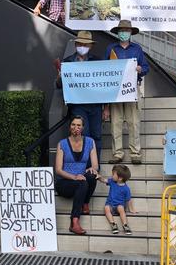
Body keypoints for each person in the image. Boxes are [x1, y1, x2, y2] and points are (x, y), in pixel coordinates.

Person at [55, 30, 108, 162]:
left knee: (96, 136)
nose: (83, 46)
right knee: (82, 135)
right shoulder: (67, 62)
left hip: (95, 105)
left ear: (91, 46)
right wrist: (60, 77)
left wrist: (106, 108)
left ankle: (95, 168)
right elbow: (59, 85)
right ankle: (83, 166)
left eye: (86, 44)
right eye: (80, 43)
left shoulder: (98, 61)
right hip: (77, 106)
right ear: (76, 44)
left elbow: (106, 85)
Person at [104, 20, 149, 164]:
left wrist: (140, 69)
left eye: (126, 30)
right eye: (121, 30)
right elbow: (103, 69)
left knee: (134, 121)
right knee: (115, 122)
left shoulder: (137, 49)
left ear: (130, 33)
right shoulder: (110, 48)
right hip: (115, 89)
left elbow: (146, 67)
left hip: (132, 89)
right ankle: (117, 153)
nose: (124, 33)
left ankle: (135, 153)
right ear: (118, 32)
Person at [55, 116, 99, 235]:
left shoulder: (90, 142)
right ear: (70, 127)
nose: (76, 128)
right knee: (82, 182)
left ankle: (85, 202)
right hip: (64, 182)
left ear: (83, 127)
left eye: (79, 125)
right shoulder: (62, 144)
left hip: (81, 180)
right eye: (73, 125)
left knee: (91, 175)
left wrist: (92, 168)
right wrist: (74, 177)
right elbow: (58, 170)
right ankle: (74, 222)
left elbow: (95, 165)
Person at [99, 164, 136, 235]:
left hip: (119, 205)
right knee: (106, 208)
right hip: (110, 205)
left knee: (121, 208)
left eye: (113, 174)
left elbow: (128, 199)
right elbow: (104, 180)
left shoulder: (126, 189)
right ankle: (113, 224)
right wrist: (99, 178)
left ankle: (125, 225)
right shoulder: (112, 182)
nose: (112, 176)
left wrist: (131, 209)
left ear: (120, 178)